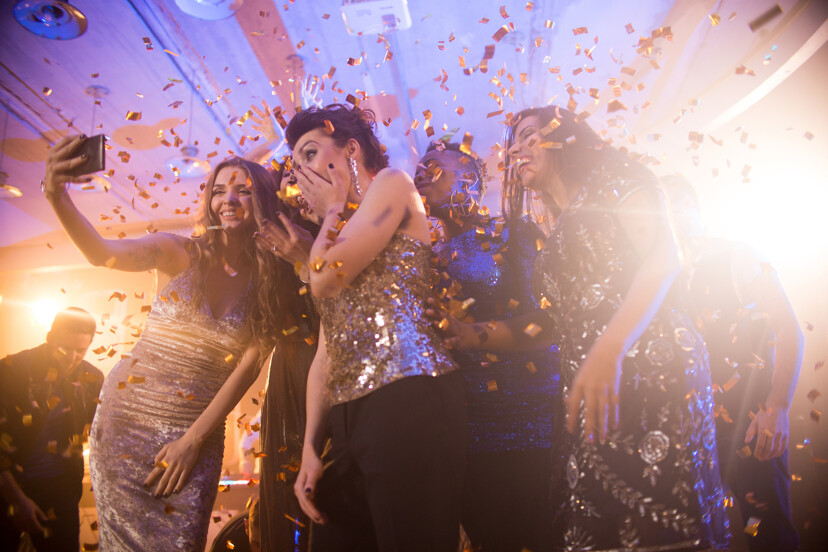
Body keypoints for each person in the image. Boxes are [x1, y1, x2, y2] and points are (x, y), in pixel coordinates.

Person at [42, 136, 299, 551]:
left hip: (197, 431)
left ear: (263, 202)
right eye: (218, 191)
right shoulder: (175, 251)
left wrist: (193, 440)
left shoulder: (270, 279)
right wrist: (56, 194)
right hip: (126, 422)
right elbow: (100, 253)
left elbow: (251, 363)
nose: (228, 200)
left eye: (242, 190)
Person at [497, 106, 729, 551]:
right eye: (513, 142)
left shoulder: (614, 176)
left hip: (647, 368)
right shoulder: (557, 225)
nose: (515, 149)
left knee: (657, 517)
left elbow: (663, 257)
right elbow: (555, 321)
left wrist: (609, 348)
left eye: (529, 136)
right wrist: (476, 335)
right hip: (591, 383)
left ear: (564, 137)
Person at [260, 104, 467, 551]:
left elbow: (325, 276)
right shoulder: (338, 229)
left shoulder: (393, 183)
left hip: (410, 395)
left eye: (310, 154)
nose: (301, 175)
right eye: (295, 167)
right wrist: (311, 448)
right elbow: (327, 351)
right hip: (351, 413)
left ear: (351, 149)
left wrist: (332, 212)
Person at [414, 141, 558, 551]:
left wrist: (475, 333)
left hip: (525, 413)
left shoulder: (513, 233)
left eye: (433, 166)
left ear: (469, 177)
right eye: (419, 167)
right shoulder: (419, 254)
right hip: (461, 421)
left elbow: (550, 320)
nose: (421, 173)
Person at [662, 175, 803, 552]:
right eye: (662, 209)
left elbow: (789, 329)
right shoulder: (660, 275)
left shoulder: (737, 255)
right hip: (687, 433)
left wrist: (777, 408)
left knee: (769, 532)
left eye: (677, 206)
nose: (670, 217)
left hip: (751, 424)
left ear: (694, 208)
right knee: (696, 538)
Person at [0, 307, 103, 552]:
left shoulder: (93, 378)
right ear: (50, 337)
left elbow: (103, 437)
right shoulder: (11, 371)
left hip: (60, 491)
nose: (72, 357)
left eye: (81, 350)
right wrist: (16, 498)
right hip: (7, 488)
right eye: (65, 348)